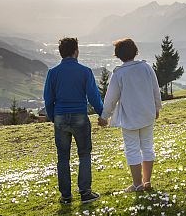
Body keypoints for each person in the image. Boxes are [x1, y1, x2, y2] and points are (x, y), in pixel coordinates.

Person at [43, 37, 104, 204]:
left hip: (60, 117)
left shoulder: (53, 73)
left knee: (63, 157)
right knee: (84, 154)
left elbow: (48, 98)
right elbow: (93, 97)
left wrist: (52, 116)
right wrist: (102, 114)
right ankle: (85, 193)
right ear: (76, 51)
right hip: (79, 116)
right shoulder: (85, 71)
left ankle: (66, 196)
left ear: (61, 53)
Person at [98, 38, 162, 192]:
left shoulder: (119, 73)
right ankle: (147, 182)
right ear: (135, 51)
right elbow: (155, 89)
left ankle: (137, 184)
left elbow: (111, 98)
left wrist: (104, 116)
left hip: (129, 117)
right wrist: (157, 108)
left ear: (118, 55)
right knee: (147, 146)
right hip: (147, 114)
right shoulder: (146, 67)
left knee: (132, 149)